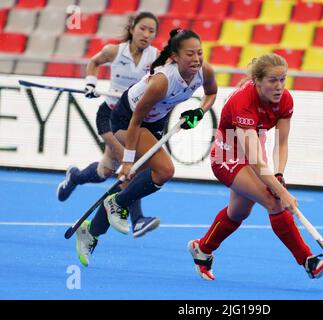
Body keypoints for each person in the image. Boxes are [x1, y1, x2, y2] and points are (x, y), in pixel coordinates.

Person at [75, 28, 218, 267]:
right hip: (126, 119)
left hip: (156, 121)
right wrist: (128, 160)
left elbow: (212, 93)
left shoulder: (204, 72)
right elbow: (135, 121)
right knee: (164, 170)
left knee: (136, 180)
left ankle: (91, 231)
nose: (196, 59)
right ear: (174, 56)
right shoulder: (161, 81)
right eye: (190, 54)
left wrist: (199, 112)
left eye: (200, 53)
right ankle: (117, 204)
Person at [187, 53, 323, 281]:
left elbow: (282, 143)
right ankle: (308, 260)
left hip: (256, 151)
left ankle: (203, 248)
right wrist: (282, 193)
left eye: (283, 79)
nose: (279, 86)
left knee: (238, 213)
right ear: (257, 81)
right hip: (228, 155)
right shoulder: (243, 102)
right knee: (274, 201)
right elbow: (253, 159)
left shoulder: (285, 100)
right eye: (273, 80)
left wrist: (279, 174)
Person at [57, 12, 161, 238]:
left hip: (131, 121)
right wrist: (91, 84)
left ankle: (75, 177)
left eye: (151, 31)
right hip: (110, 116)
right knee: (131, 163)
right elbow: (94, 63)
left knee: (105, 171)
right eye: (142, 28)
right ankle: (138, 220)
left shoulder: (156, 58)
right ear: (132, 28)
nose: (146, 34)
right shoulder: (115, 51)